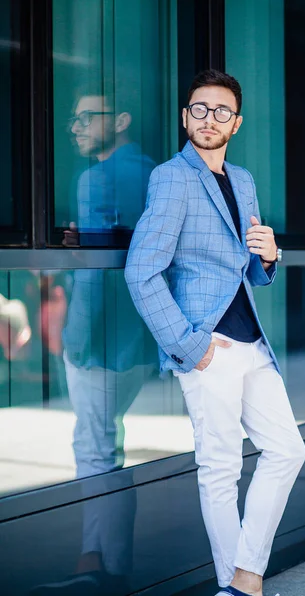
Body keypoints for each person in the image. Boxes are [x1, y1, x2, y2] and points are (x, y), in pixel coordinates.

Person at [125, 69, 305, 596]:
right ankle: (241, 585)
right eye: (199, 110)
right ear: (186, 117)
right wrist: (189, 345)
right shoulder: (172, 177)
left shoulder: (243, 180)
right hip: (210, 345)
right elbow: (142, 270)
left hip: (252, 342)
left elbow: (247, 266)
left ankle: (244, 575)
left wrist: (270, 257)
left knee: (288, 450)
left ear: (237, 122)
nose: (209, 120)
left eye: (221, 112)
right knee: (220, 467)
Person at [31, 92, 155, 596]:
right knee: (104, 442)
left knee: (95, 446)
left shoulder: (96, 178)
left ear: (121, 119)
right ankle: (109, 562)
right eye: (73, 117)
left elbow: (101, 274)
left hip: (100, 340)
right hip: (141, 340)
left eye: (87, 117)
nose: (75, 127)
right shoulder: (152, 171)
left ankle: (99, 568)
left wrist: (72, 340)